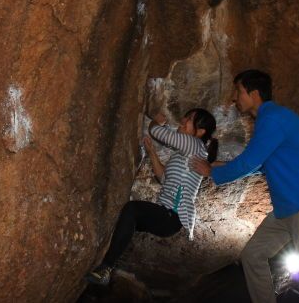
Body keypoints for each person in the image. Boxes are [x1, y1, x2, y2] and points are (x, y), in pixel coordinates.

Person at [191, 70, 299, 303]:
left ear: (254, 94)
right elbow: (260, 164)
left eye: (239, 91)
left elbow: (249, 162)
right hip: (286, 210)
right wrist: (214, 164)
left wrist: (212, 172)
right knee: (253, 256)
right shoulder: (270, 120)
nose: (235, 97)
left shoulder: (273, 118)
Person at [85, 108, 218, 286]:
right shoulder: (186, 154)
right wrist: (152, 152)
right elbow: (163, 178)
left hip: (171, 215)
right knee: (124, 220)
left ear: (200, 131)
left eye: (189, 119)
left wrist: (156, 122)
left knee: (132, 209)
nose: (182, 120)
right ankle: (107, 262)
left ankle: (106, 268)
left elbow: (157, 131)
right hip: (167, 220)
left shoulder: (194, 144)